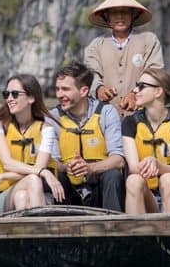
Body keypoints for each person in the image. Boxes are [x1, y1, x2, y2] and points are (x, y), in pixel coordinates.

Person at [0, 74, 65, 214]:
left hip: (35, 192)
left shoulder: (46, 130)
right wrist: (43, 172)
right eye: (6, 94)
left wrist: (3, 176)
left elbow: (37, 170)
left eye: (15, 94)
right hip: (2, 195)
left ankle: (28, 234)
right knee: (33, 178)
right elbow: (8, 163)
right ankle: (42, 230)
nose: (9, 99)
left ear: (31, 98)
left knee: (22, 196)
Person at [49, 62, 126, 212]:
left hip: (100, 187)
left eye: (65, 89)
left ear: (83, 91)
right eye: (57, 89)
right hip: (68, 190)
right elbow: (53, 161)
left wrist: (90, 168)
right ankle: (61, 228)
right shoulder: (52, 117)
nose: (59, 95)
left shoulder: (107, 112)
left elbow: (119, 160)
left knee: (113, 176)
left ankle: (115, 229)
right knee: (57, 177)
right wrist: (68, 167)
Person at [122, 67, 170, 214]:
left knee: (168, 178)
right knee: (133, 180)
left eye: (142, 86)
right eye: (137, 85)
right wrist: (146, 165)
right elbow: (133, 167)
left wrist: (157, 164)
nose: (135, 90)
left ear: (158, 92)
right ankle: (136, 234)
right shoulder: (129, 123)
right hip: (149, 195)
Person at [83, 0, 164, 114]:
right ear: (107, 18)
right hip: (104, 115)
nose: (120, 16)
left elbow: (154, 72)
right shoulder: (96, 45)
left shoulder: (148, 40)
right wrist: (99, 89)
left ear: (133, 16)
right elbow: (91, 72)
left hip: (142, 114)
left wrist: (135, 94)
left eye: (124, 12)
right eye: (114, 13)